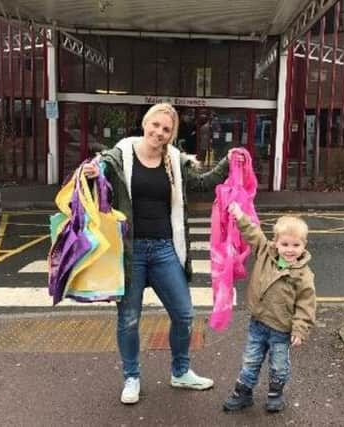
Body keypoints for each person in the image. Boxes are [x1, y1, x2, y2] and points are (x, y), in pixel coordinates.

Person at [81, 103, 232, 405]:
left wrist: (230, 161)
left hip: (164, 248)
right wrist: (89, 174)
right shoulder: (117, 157)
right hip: (130, 250)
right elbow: (95, 186)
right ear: (145, 123)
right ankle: (132, 377)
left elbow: (203, 184)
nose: (160, 133)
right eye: (156, 126)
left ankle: (181, 371)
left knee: (184, 314)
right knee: (129, 319)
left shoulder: (175, 161)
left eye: (166, 130)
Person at [222, 202, 316, 413]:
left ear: (304, 245)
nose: (290, 250)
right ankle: (243, 393)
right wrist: (238, 214)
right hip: (258, 323)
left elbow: (306, 304)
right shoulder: (266, 252)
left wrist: (300, 329)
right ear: (275, 243)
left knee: (279, 365)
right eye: (285, 244)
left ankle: (275, 394)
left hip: (281, 329)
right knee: (251, 360)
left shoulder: (303, 275)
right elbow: (253, 233)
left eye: (295, 245)